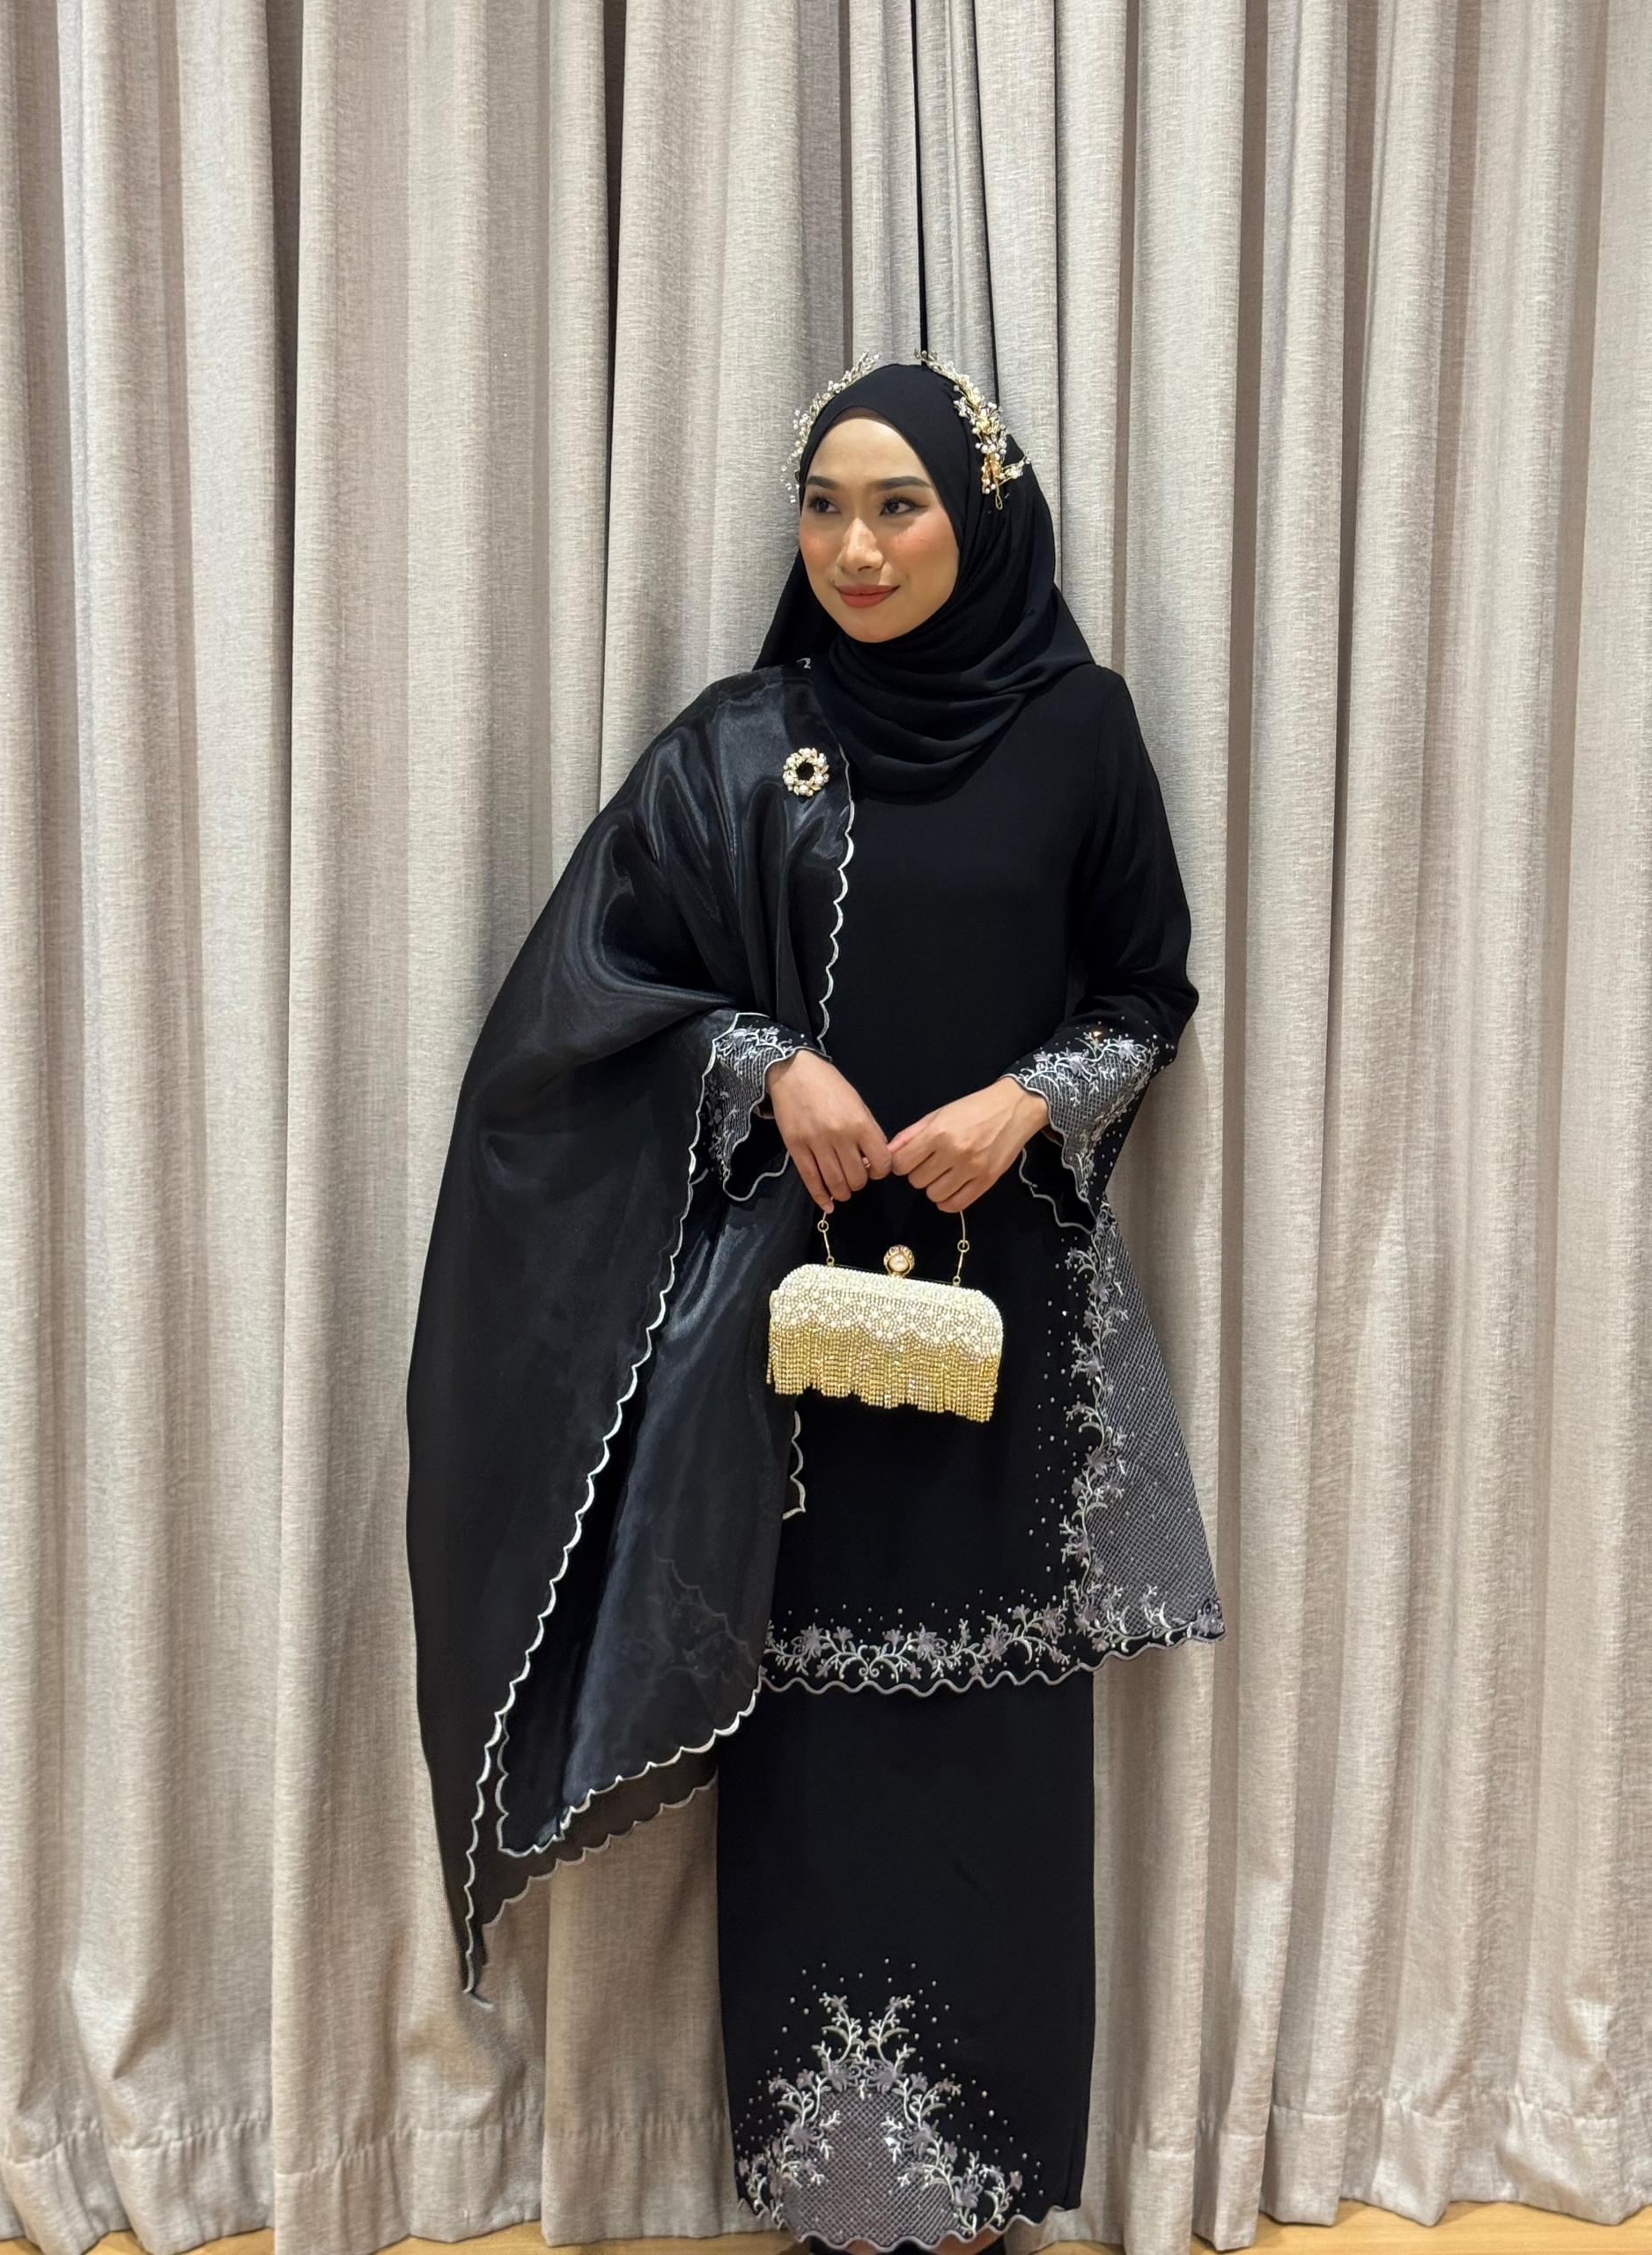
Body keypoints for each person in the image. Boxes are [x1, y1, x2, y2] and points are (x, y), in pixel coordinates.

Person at [404, 349, 1224, 2255]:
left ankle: (985, 2191)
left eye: (900, 505)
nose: (856, 548)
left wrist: (1028, 1101)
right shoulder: (738, 744)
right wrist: (765, 1062)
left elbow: (1147, 986)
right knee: (816, 1752)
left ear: (979, 519)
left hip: (1008, 1320)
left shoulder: (1080, 732)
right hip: (794, 1347)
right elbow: (591, 995)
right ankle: (840, 2196)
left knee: (997, 1746)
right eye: (826, 507)